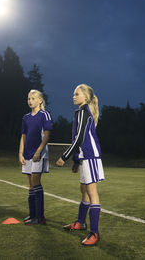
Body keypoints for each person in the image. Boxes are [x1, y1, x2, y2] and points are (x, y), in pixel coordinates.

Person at [56, 84, 104, 246]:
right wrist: (76, 161)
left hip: (90, 156)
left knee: (91, 192)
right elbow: (77, 139)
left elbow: (79, 139)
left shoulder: (84, 112)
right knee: (83, 190)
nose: (73, 96)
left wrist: (65, 156)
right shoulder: (80, 112)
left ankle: (95, 233)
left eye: (77, 94)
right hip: (84, 157)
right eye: (73, 94)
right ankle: (81, 222)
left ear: (85, 97)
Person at [19, 89, 52, 225]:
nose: (30, 101)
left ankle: (40, 217)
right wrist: (20, 153)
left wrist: (38, 151)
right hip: (27, 154)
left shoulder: (44, 115)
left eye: (33, 98)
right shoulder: (25, 117)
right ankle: (32, 215)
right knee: (31, 186)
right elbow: (23, 136)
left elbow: (47, 134)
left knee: (35, 182)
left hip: (39, 154)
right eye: (29, 99)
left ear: (40, 100)